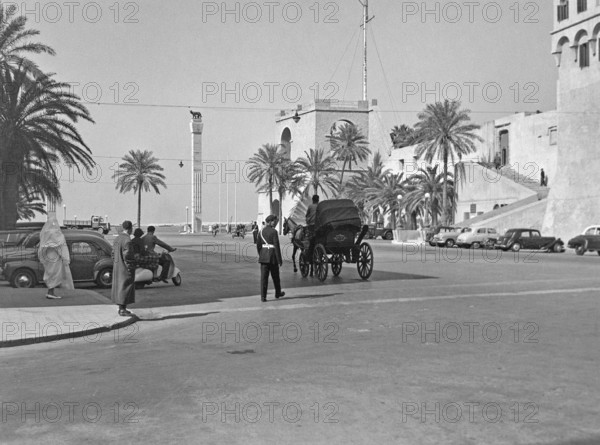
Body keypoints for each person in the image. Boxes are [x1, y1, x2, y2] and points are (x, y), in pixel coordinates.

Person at [38, 213, 74, 299]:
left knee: (49, 273)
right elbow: (60, 245)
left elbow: (41, 246)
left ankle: (50, 291)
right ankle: (51, 292)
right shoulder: (56, 233)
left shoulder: (44, 233)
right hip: (55, 256)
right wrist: (65, 257)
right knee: (55, 273)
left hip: (47, 256)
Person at [257, 214, 285, 302]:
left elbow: (258, 246)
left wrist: (261, 254)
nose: (275, 222)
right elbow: (276, 246)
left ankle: (263, 296)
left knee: (264, 278)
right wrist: (279, 260)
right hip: (273, 257)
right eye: (274, 221)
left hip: (264, 257)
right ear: (270, 222)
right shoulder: (274, 232)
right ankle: (278, 292)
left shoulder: (260, 232)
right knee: (276, 276)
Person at [112, 220, 136, 316]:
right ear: (130, 229)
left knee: (119, 287)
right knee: (125, 287)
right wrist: (131, 267)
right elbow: (128, 256)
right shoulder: (127, 240)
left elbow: (113, 253)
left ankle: (121, 308)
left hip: (117, 266)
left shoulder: (117, 238)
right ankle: (123, 309)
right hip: (125, 268)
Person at [305, 194, 320, 260]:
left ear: (312, 200)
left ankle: (308, 253)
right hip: (319, 226)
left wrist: (308, 220)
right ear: (318, 200)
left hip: (312, 225)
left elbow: (307, 215)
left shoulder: (310, 206)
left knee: (308, 237)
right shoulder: (320, 206)